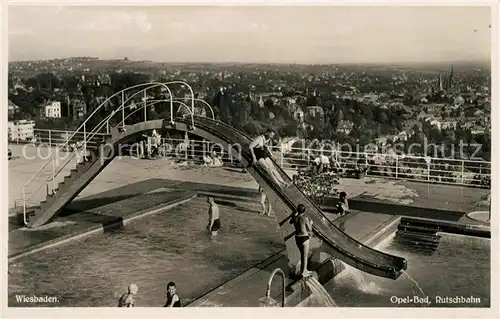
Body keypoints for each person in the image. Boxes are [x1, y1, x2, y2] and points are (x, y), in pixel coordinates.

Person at [289, 204, 313, 277]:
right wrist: (311, 223)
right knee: (305, 256)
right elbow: (310, 229)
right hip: (304, 238)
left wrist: (294, 214)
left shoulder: (295, 218)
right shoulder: (305, 219)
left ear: (297, 210)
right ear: (304, 211)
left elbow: (290, 222)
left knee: (302, 255)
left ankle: (304, 270)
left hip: (297, 237)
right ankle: (303, 272)